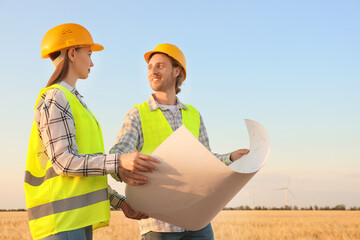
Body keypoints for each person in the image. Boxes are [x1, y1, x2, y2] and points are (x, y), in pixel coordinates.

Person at [24, 23, 159, 240]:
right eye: (89, 53)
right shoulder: (56, 97)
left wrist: (121, 203)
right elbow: (64, 162)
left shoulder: (72, 100)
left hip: (74, 220)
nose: (92, 62)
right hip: (62, 223)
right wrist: (119, 161)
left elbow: (83, 170)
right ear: (72, 53)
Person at [110, 43, 249, 240]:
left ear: (177, 71)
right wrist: (121, 170)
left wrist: (232, 158)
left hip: (197, 220)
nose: (153, 71)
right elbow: (118, 155)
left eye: (160, 66)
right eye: (150, 67)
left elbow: (205, 162)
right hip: (158, 223)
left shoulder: (193, 115)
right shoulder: (137, 115)